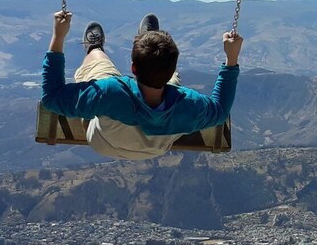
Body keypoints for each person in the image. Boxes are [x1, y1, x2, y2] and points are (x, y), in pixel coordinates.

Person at [41, 11, 243, 160]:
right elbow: (220, 109)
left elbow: (51, 97)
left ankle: (94, 47)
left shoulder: (109, 92)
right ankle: (150, 39)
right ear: (172, 67)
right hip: (154, 150)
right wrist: (231, 58)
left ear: (133, 68)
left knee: (99, 64)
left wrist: (58, 37)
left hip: (103, 143)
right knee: (172, 85)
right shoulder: (187, 104)